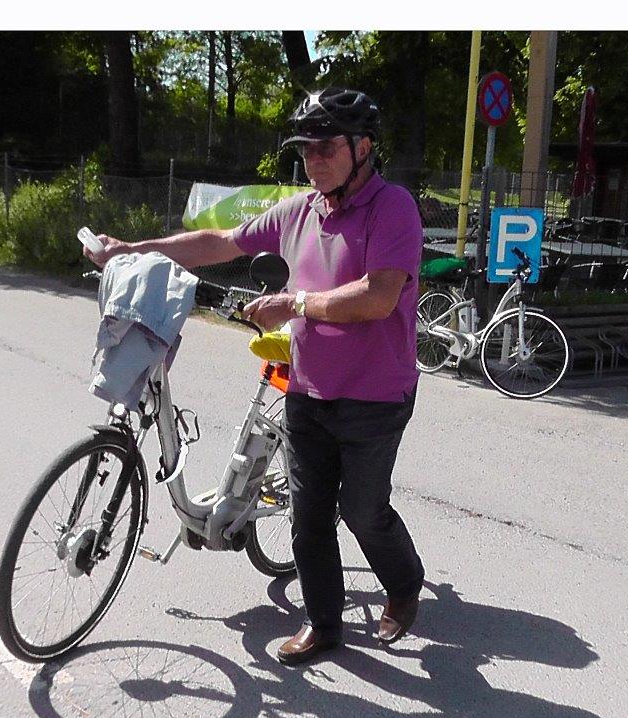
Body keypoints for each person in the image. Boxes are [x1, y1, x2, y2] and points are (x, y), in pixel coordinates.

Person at [83, 88, 425, 665]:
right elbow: (220, 242)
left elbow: (378, 296)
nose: (313, 159)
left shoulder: (393, 208)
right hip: (308, 386)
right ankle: (323, 624)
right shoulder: (300, 210)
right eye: (306, 149)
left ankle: (405, 583)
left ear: (364, 147)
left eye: (326, 147)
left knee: (363, 509)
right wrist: (133, 249)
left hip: (376, 393)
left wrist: (294, 303)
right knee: (309, 514)